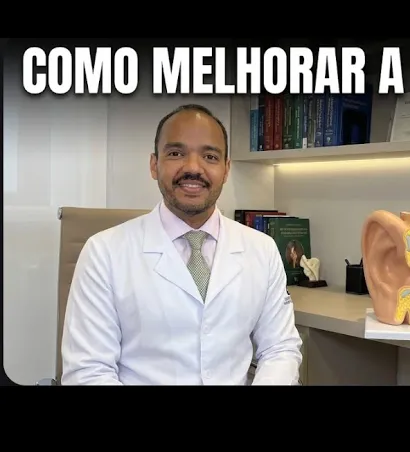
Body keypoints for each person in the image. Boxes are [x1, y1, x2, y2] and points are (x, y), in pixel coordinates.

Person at [60, 104, 303, 385]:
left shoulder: (262, 249)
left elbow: (280, 349)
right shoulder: (103, 252)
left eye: (210, 156)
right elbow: (89, 372)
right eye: (176, 153)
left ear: (226, 169)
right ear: (154, 165)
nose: (193, 168)